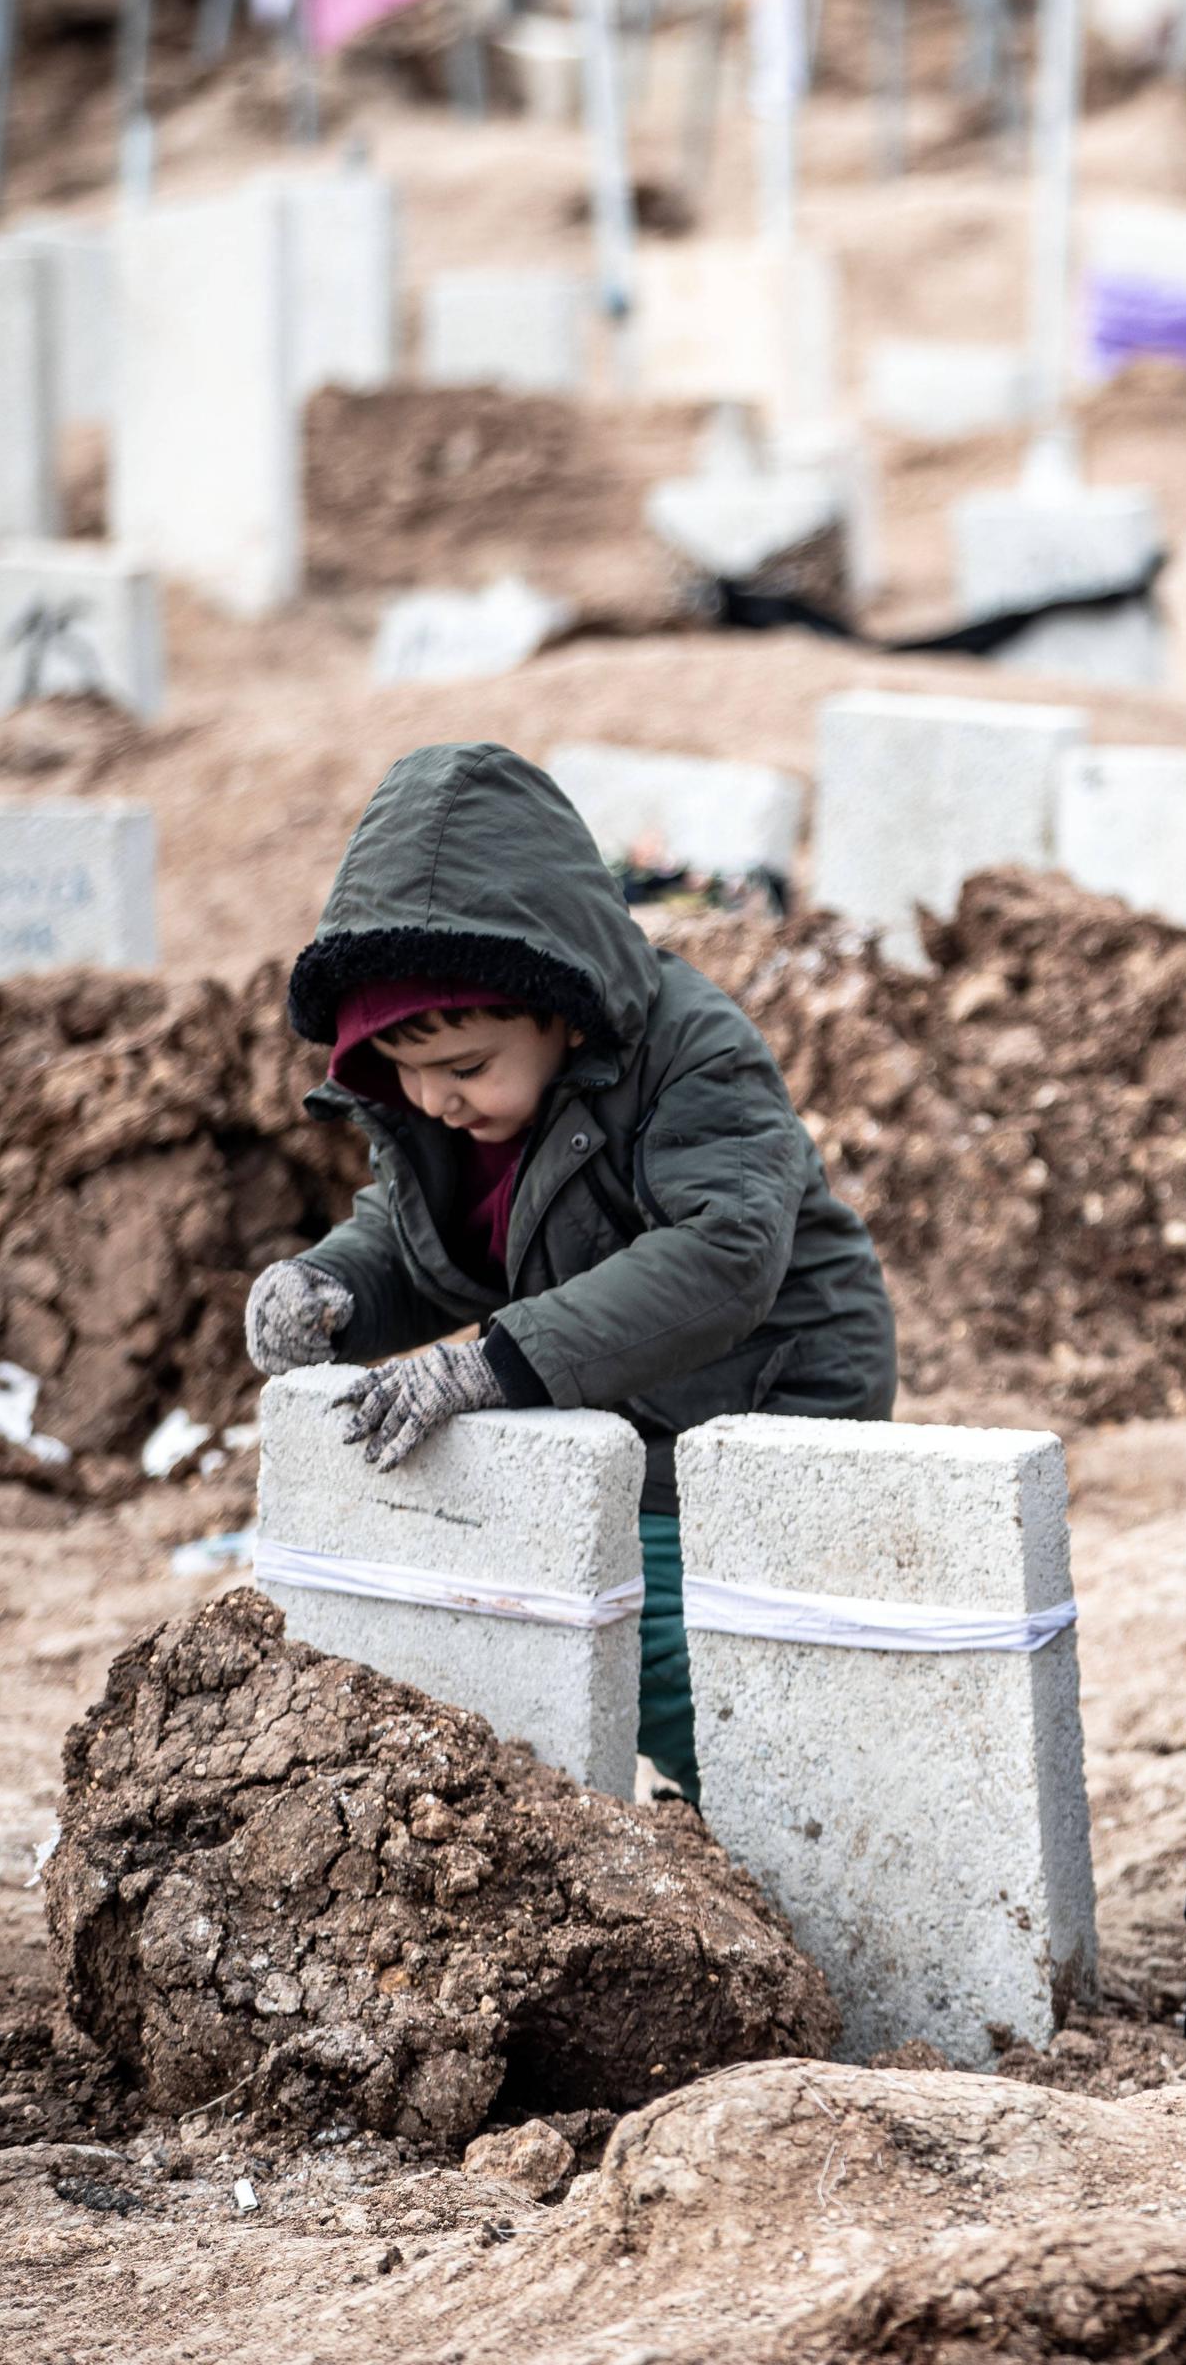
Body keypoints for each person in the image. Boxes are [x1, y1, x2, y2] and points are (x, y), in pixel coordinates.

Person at [243, 742, 896, 1805]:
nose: (436, 1098)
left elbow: (724, 1256)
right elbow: (431, 1249)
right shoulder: (450, 1106)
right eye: (404, 1072)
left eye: (464, 1068)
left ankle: (800, 1819)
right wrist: (334, 1291)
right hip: (604, 1397)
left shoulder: (694, 1050)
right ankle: (739, 1800)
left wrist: (492, 1365)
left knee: (655, 1644)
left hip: (762, 1390)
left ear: (560, 1006)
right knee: (555, 1610)